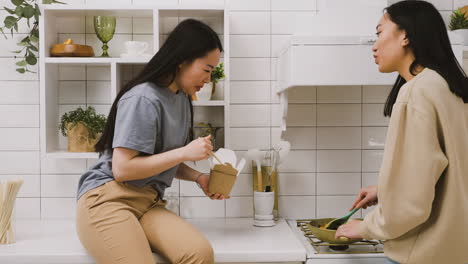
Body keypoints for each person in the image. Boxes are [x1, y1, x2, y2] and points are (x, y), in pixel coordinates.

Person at [76, 19, 226, 264]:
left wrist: (199, 178)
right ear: (183, 60)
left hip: (148, 202)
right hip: (107, 200)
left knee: (200, 254)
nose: (208, 79)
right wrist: (184, 153)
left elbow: (158, 159)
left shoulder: (181, 99)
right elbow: (123, 169)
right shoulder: (143, 98)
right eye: (207, 70)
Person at [335, 1, 468, 264]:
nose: (374, 45)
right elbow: (448, 174)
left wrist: (366, 227)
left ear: (405, 35)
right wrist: (385, 190)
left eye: (379, 32)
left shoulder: (416, 92)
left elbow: (410, 202)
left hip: (423, 253)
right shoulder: (451, 87)